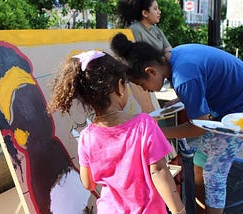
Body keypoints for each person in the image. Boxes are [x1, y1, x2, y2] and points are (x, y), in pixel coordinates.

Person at [110, 33, 243, 214]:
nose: (144, 90)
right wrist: (184, 99)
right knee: (200, 163)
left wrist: (156, 132)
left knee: (214, 176)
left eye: (141, 84)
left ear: (151, 71)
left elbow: (198, 127)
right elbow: (202, 83)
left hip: (235, 111)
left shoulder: (184, 76)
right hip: (224, 106)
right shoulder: (174, 57)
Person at [47, 50, 185, 213]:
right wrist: (179, 210)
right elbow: (159, 171)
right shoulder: (144, 124)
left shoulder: (86, 137)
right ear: (120, 87)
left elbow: (88, 183)